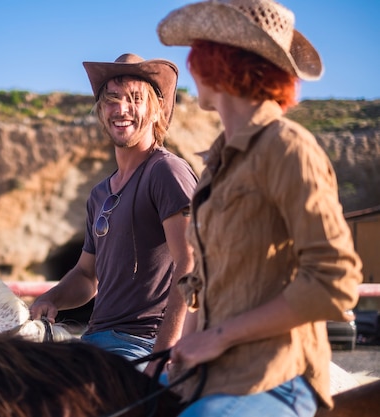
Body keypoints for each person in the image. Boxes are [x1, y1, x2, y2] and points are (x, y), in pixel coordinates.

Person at [156, 0, 363, 416]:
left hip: (277, 377)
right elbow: (202, 282)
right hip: (210, 373)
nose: (191, 66)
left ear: (220, 62)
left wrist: (220, 337)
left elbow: (335, 280)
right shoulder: (220, 162)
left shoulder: (288, 148)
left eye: (197, 52)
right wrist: (186, 347)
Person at [29, 53, 198, 375]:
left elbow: (191, 262)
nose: (121, 109)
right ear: (100, 111)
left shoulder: (166, 172)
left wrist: (161, 356)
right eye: (111, 99)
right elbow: (85, 276)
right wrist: (51, 298)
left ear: (155, 110)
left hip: (143, 342)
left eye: (136, 99)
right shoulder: (100, 194)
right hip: (96, 339)